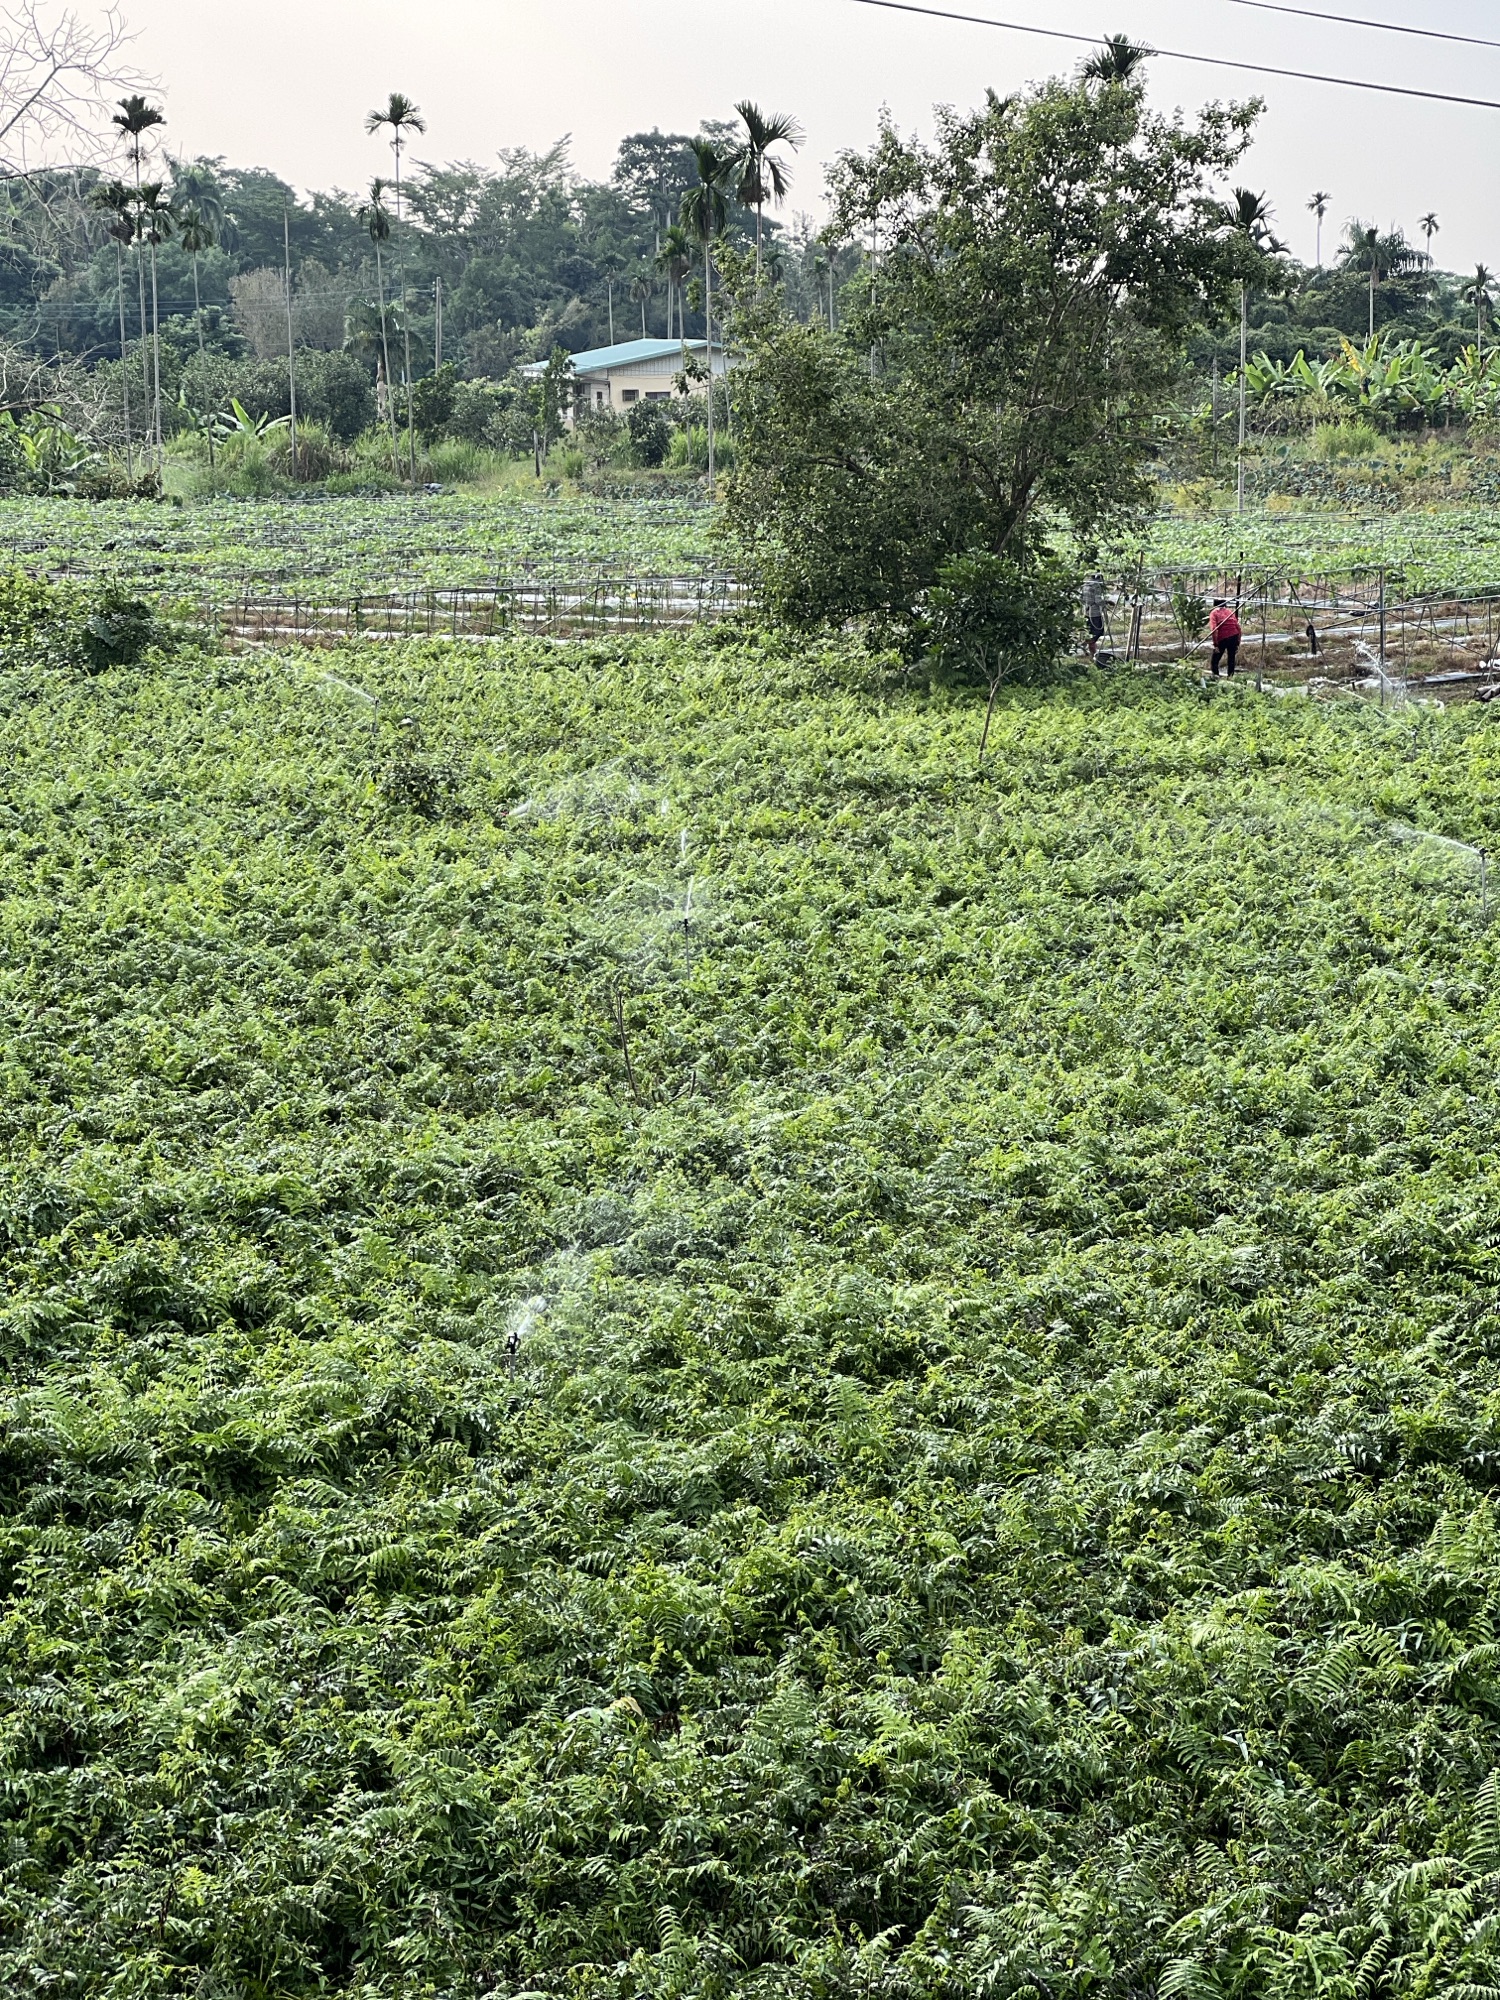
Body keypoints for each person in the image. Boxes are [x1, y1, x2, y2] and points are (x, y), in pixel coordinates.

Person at [1208, 598, 1242, 677]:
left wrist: (1215, 644)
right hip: (1234, 635)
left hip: (1222, 637)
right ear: (1225, 605)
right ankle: (1230, 677)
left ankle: (1215, 677)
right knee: (1231, 659)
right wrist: (1238, 642)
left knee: (1215, 660)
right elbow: (1238, 627)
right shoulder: (1229, 611)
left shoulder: (1214, 613)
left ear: (1214, 605)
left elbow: (1214, 629)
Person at [1083, 574, 1106, 660]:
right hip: (1095, 613)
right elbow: (1098, 601)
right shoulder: (1096, 586)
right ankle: (1086, 645)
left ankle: (1091, 652)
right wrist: (1106, 603)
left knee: (1090, 632)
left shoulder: (1085, 585)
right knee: (1099, 631)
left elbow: (1081, 599)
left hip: (1086, 611)